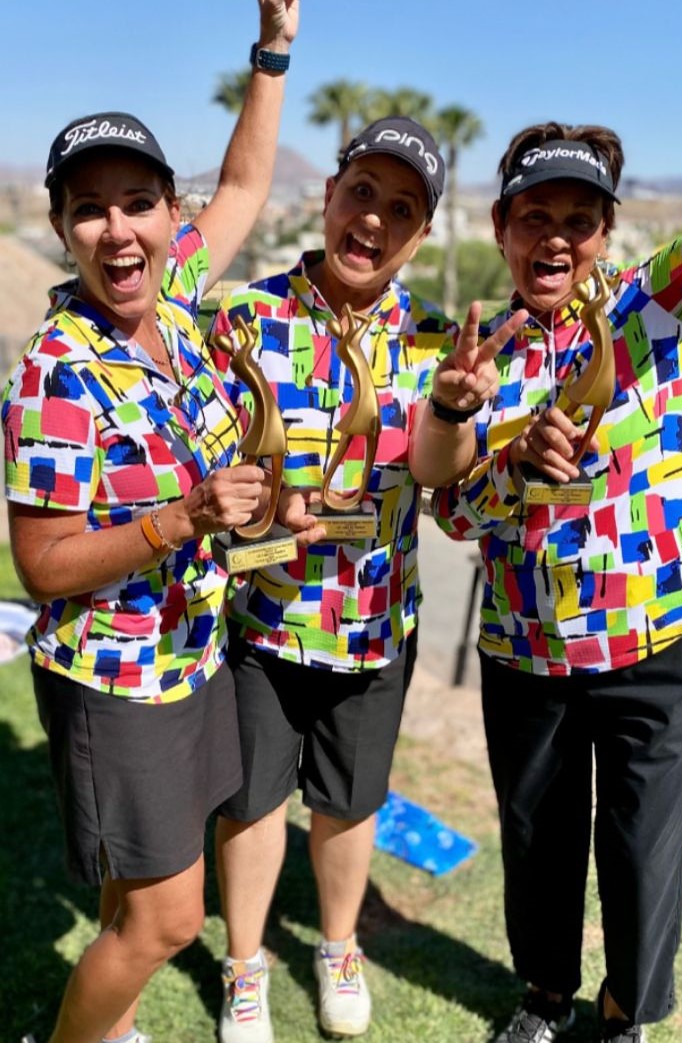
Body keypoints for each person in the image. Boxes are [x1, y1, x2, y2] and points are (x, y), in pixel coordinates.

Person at [1, 4, 299, 1042]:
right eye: (91, 209)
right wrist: (183, 516)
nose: (117, 230)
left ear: (172, 214)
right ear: (62, 225)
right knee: (171, 919)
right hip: (118, 677)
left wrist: (273, 48)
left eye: (138, 203)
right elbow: (41, 566)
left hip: (192, 652)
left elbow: (253, 183)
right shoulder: (56, 374)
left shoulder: (171, 305)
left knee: (139, 895)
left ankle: (110, 1023)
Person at [209, 115, 527, 1043]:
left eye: (402, 208)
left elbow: (436, 474)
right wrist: (263, 511)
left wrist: (453, 407)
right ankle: (244, 966)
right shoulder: (245, 317)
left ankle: (338, 946)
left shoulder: (439, 343)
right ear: (327, 198)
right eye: (362, 195)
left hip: (374, 625)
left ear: (422, 233)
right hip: (262, 620)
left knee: (349, 806)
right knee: (252, 802)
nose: (375, 222)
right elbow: (209, 469)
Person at [431, 121, 682, 1043]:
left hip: (658, 641)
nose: (555, 236)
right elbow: (451, 512)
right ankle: (545, 997)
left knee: (643, 852)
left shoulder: (656, 305)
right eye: (535, 217)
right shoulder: (478, 354)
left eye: (578, 218)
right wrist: (513, 459)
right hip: (527, 648)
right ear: (500, 226)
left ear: (608, 229)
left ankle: (621, 1014)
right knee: (538, 845)